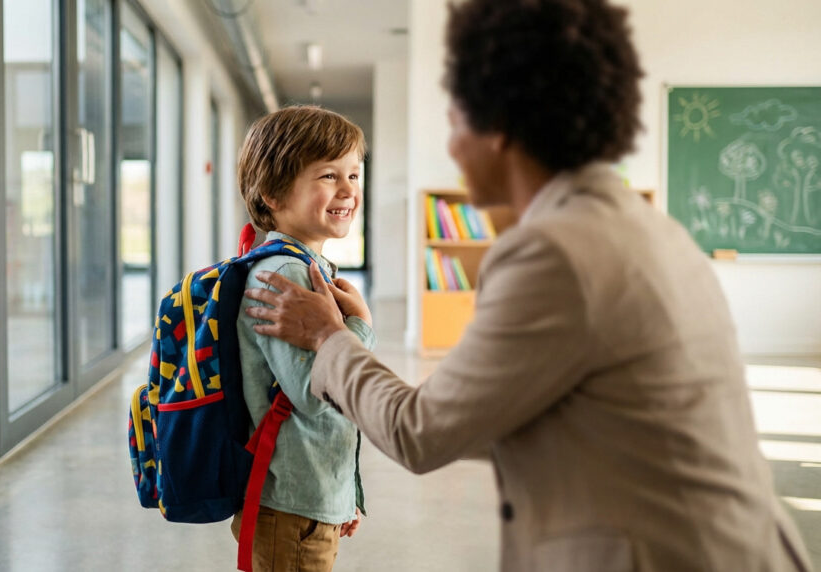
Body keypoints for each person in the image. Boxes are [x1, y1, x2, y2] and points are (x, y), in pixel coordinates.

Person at [242, 1, 814, 571]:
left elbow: (419, 433)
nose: (453, 148)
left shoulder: (553, 252)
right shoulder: (639, 226)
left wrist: (332, 335)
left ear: (500, 126)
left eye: (456, 122)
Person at [231, 105, 373, 571]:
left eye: (354, 173)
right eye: (329, 175)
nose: (349, 189)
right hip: (291, 507)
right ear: (272, 193)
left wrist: (341, 493)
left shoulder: (299, 266)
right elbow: (316, 394)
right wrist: (360, 327)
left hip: (307, 499)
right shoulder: (285, 275)